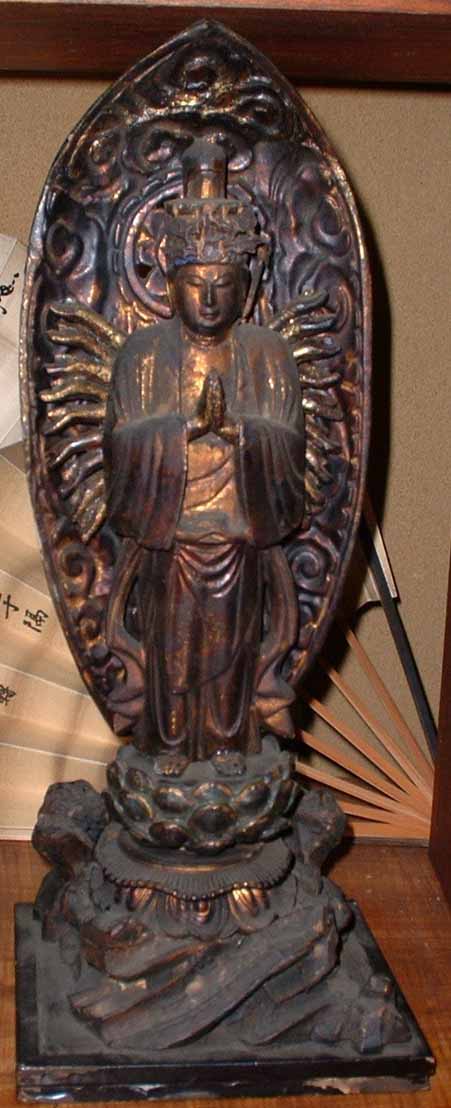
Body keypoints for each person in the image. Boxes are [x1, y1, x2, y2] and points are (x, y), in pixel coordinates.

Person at [103, 141, 305, 762]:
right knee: (171, 654)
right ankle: (165, 747)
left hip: (238, 541)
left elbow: (290, 448)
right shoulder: (142, 357)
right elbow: (119, 450)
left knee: (230, 656)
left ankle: (229, 749)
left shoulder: (267, 355)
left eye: (223, 284)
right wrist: (183, 431)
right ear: (170, 283)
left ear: (247, 286)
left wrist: (243, 433)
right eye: (195, 284)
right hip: (172, 541)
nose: (210, 299)